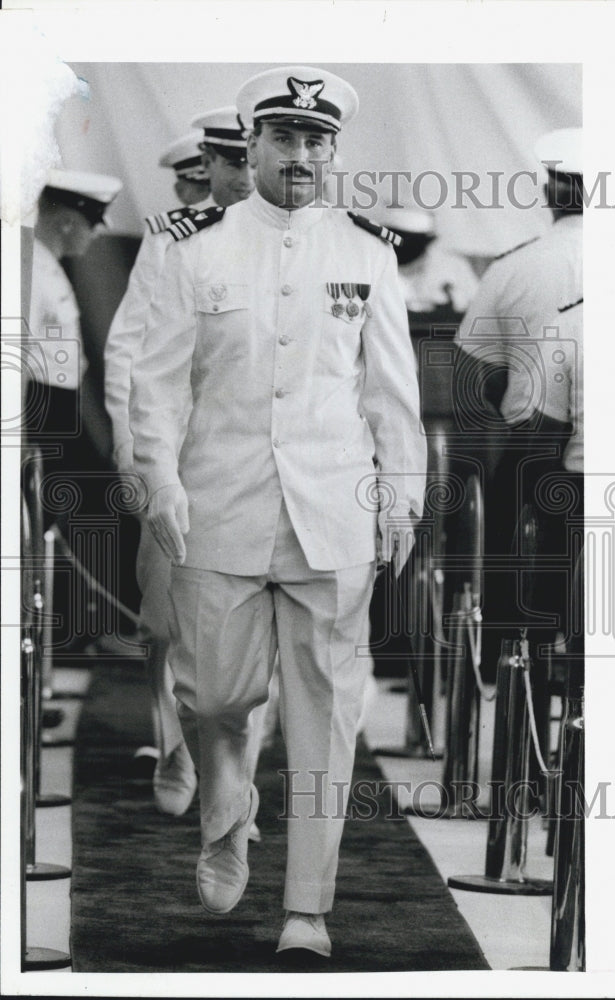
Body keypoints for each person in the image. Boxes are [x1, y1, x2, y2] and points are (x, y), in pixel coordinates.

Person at [129, 65, 426, 958]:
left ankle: (308, 908)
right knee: (214, 695)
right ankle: (228, 805)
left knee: (325, 719)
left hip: (333, 519)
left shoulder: (366, 252)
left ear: (332, 150)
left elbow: (391, 397)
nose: (301, 155)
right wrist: (162, 486)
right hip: (218, 509)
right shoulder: (196, 247)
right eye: (285, 138)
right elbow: (156, 385)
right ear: (249, 144)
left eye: (317, 141)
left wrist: (399, 499)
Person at [104, 113, 252, 817]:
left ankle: (224, 777)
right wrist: (131, 449)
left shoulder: (303, 241)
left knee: (247, 623)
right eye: (225, 163)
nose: (236, 176)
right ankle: (174, 742)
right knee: (164, 619)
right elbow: (127, 348)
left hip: (251, 456)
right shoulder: (172, 239)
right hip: (174, 453)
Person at [454, 126, 583, 682]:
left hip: (537, 443)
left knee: (508, 531)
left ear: (551, 190)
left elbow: (472, 376)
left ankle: (507, 672)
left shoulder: (514, 267)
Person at [24, 170, 122, 654]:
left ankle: (79, 631)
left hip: (59, 410)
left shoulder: (48, 265)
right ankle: (67, 637)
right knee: (51, 526)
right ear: (66, 220)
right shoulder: (26, 267)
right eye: (93, 220)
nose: (97, 231)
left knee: (83, 514)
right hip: (35, 414)